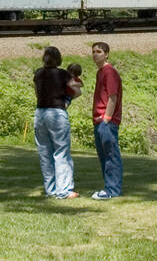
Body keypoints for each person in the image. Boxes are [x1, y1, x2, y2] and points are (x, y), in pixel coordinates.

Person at [32, 46, 83, 199]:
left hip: (40, 113)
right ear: (59, 59)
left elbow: (37, 93)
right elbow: (77, 90)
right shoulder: (63, 74)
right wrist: (69, 99)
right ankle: (64, 190)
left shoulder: (38, 74)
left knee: (44, 153)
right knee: (61, 152)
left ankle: (50, 189)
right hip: (56, 113)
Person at [90, 41, 123, 199]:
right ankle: (108, 188)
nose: (95, 54)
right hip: (99, 120)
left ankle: (112, 190)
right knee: (103, 157)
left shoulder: (110, 72)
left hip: (106, 122)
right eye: (93, 52)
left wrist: (107, 119)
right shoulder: (100, 72)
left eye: (99, 51)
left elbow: (112, 96)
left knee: (111, 156)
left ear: (106, 54)